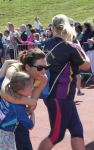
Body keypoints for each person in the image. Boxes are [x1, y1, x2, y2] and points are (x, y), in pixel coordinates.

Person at [39, 14, 90, 150]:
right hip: (60, 96)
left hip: (56, 94)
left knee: (77, 130)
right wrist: (79, 47)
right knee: (56, 135)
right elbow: (86, 65)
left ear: (53, 27)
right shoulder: (70, 46)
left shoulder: (46, 43)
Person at [0, 48, 47, 150]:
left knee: (22, 127)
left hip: (19, 96)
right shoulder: (14, 69)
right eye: (40, 68)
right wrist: (31, 102)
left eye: (46, 67)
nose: (44, 71)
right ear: (27, 67)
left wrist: (29, 108)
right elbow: (5, 94)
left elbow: (30, 107)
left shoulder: (42, 79)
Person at [0, 70, 35, 150]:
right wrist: (32, 113)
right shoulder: (18, 109)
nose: (33, 88)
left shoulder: (7, 90)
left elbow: (0, 78)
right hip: (4, 137)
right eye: (31, 87)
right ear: (21, 91)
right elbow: (30, 125)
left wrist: (6, 64)